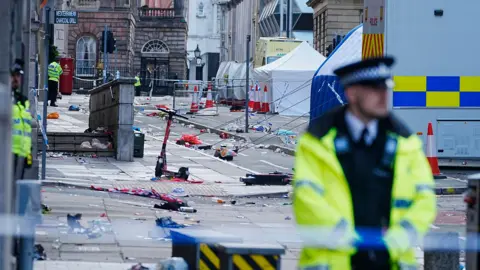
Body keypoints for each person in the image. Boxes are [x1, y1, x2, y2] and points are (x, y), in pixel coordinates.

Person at [292, 56, 437, 270]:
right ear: (351, 93)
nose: (383, 95)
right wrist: (346, 239)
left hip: (390, 261)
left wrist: (398, 240)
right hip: (335, 262)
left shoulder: (405, 143)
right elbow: (306, 200)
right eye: (374, 89)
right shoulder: (317, 142)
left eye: (386, 88)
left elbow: (424, 199)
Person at [11, 59, 33, 181]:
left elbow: (26, 129)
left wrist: (28, 152)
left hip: (21, 156)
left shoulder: (23, 101)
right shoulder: (5, 98)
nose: (16, 79)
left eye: (18, 75)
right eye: (13, 75)